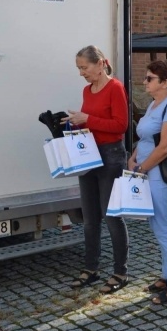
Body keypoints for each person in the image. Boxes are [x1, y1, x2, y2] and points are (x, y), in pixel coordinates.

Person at [65, 46, 129, 293]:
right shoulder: (86, 90)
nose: (82, 73)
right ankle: (91, 269)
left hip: (111, 156)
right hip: (89, 155)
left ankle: (120, 272)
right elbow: (91, 121)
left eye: (84, 67)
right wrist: (74, 123)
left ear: (100, 64)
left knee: (111, 216)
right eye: (79, 68)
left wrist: (87, 120)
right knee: (90, 218)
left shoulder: (115, 88)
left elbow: (121, 125)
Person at [127, 60, 167, 304]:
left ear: (165, 82)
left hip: (157, 173)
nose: (144, 82)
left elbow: (165, 147)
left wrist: (142, 167)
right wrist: (133, 158)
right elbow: (145, 138)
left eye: (149, 78)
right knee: (156, 226)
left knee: (164, 226)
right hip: (145, 170)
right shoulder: (154, 103)